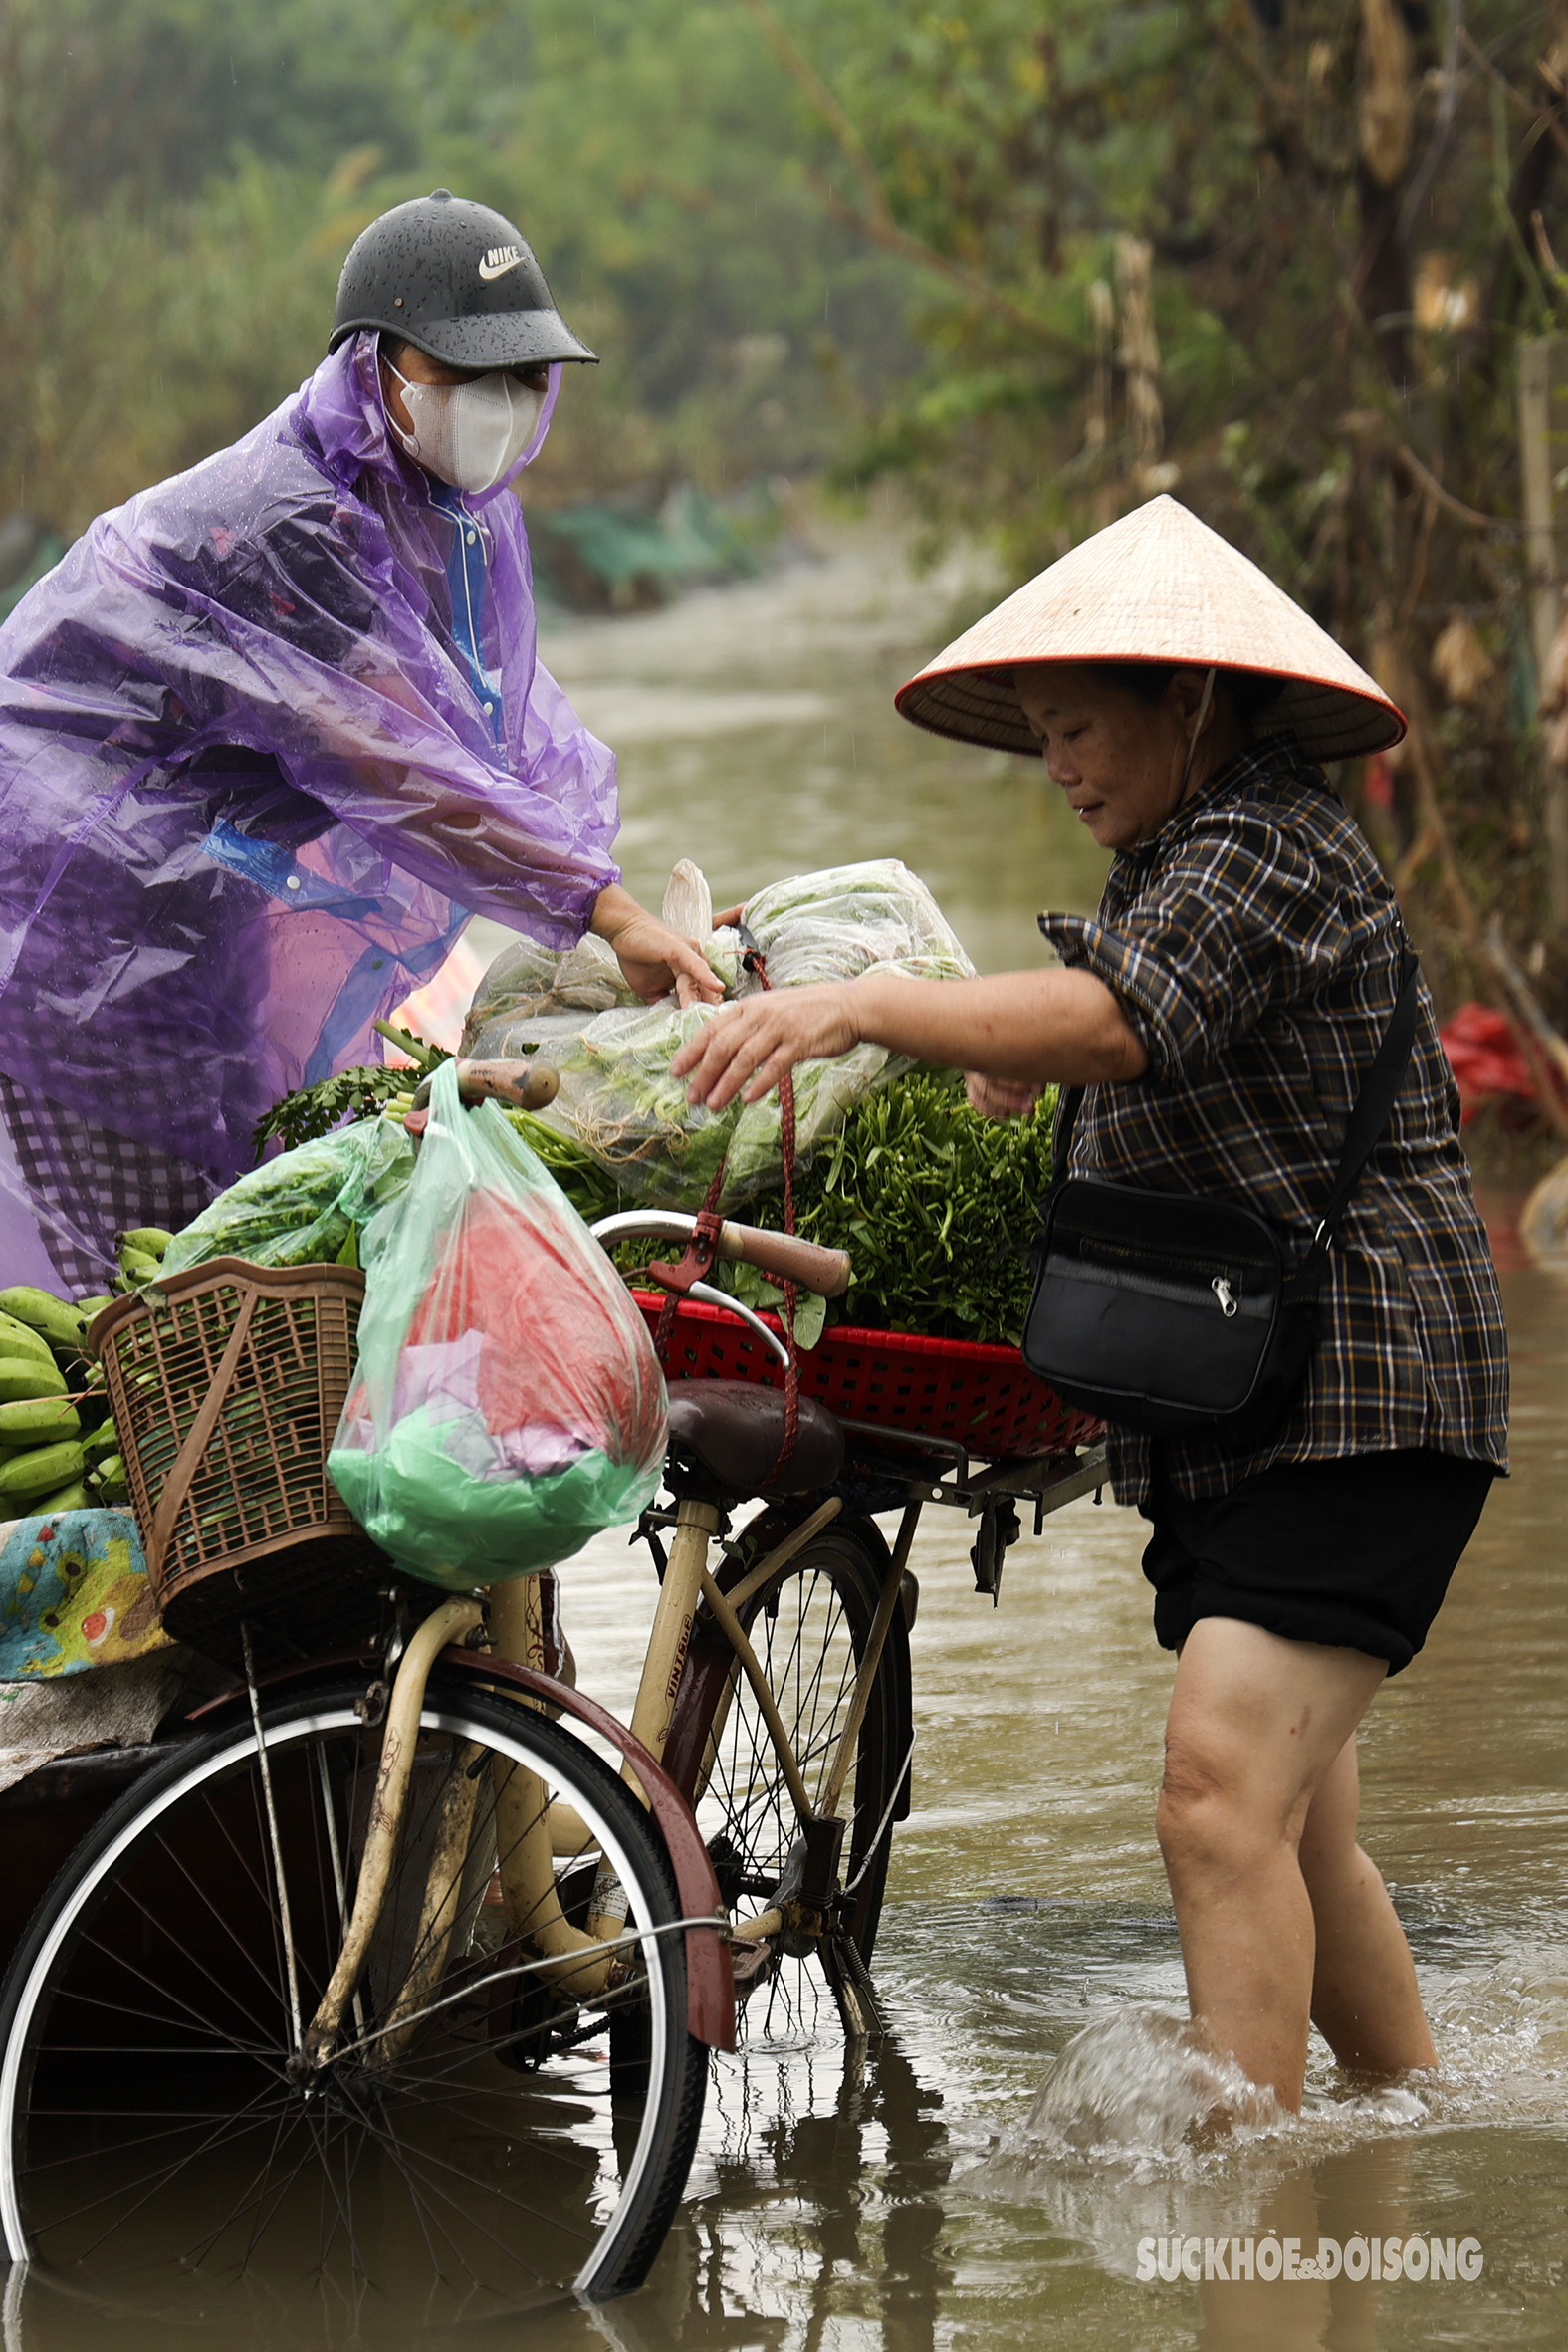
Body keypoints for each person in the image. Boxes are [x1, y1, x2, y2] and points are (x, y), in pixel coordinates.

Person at [673, 494, 1508, 2114]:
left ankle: (1241, 2198)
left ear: (1187, 701)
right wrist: (995, 1062)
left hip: (1365, 1381)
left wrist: (865, 1004)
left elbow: (1124, 1022)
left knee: (1213, 1802)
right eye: (1040, 736)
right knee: (1291, 1823)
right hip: (1252, 1397)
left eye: (1080, 729)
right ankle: (1396, 2149)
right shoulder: (1171, 858)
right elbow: (1115, 1042)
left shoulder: (1266, 836)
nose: (1057, 765)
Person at [0, 189, 718, 1296]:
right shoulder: (289, 519)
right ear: (379, 367)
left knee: (243, 1185)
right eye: (467, 376)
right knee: (160, 1254)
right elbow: (405, 768)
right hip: (76, 905)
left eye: (526, 377)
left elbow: (503, 730)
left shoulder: (447, 519)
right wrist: (601, 909)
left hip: (193, 892)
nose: (504, 404)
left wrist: (621, 906)